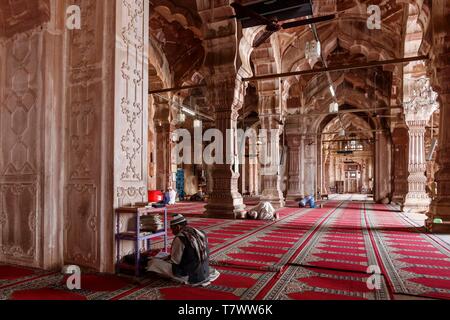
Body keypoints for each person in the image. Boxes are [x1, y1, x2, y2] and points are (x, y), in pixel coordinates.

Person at [147, 214, 220, 286]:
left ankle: (182, 279)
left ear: (178, 227)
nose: (172, 232)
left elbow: (175, 261)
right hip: (204, 271)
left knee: (153, 262)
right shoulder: (199, 232)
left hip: (189, 275)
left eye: (172, 228)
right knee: (163, 255)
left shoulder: (180, 237)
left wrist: (162, 260)